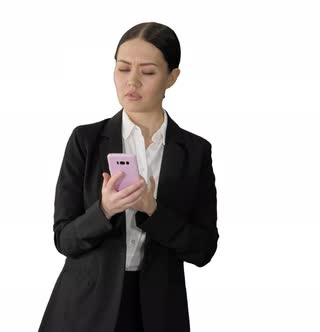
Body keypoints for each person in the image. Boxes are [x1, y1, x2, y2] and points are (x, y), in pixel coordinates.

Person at [38, 22, 219, 332]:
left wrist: (154, 211)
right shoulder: (86, 140)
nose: (131, 81)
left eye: (147, 72)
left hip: (159, 311)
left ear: (172, 77)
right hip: (84, 309)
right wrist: (104, 210)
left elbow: (203, 249)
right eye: (123, 69)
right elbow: (64, 239)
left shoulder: (195, 151)